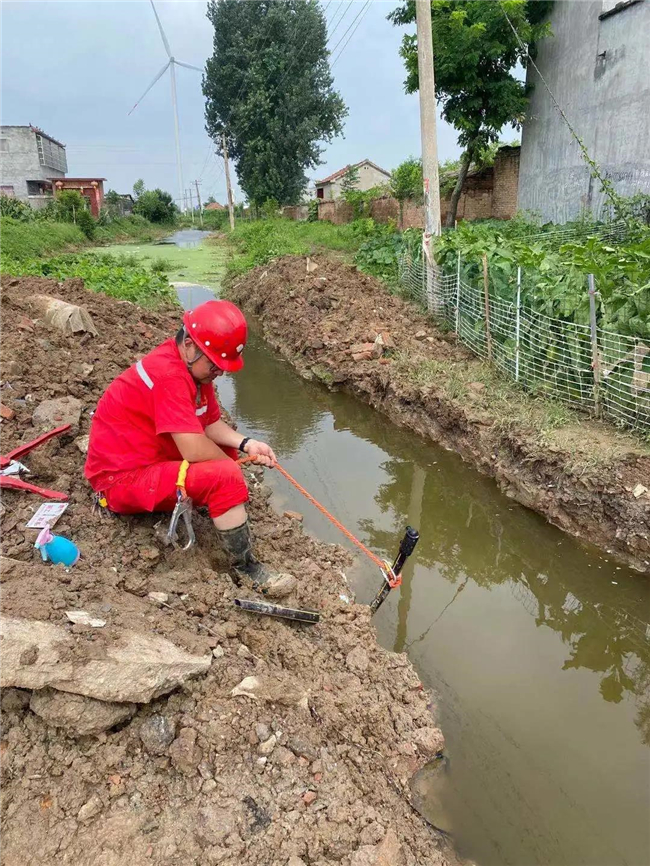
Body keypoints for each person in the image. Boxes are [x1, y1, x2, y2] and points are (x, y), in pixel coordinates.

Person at [85, 299, 279, 585]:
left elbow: (209, 423)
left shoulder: (194, 369)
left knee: (225, 454)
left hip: (147, 455)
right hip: (120, 480)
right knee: (225, 475)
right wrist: (230, 469)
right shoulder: (169, 375)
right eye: (215, 365)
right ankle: (246, 569)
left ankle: (219, 500)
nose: (220, 373)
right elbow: (192, 447)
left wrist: (247, 444)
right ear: (189, 344)